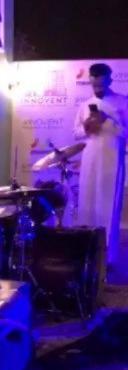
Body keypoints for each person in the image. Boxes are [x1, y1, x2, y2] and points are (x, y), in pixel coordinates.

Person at [73, 63, 128, 268]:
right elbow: (76, 133)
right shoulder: (85, 105)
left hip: (112, 161)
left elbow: (126, 132)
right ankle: (86, 256)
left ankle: (108, 259)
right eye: (94, 85)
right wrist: (87, 127)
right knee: (87, 205)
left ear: (109, 80)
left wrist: (107, 121)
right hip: (90, 160)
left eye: (101, 85)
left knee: (108, 207)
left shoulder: (122, 102)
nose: (97, 89)